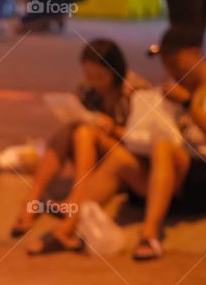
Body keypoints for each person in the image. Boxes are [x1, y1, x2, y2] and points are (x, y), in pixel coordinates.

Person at [26, 27, 206, 260]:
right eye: (165, 62)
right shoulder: (179, 84)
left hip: (201, 175)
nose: (169, 68)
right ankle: (65, 228)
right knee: (120, 158)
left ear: (195, 53)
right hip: (168, 175)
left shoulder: (197, 91)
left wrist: (187, 103)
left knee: (162, 146)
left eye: (174, 62)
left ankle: (149, 236)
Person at [17, 38, 146, 241]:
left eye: (100, 76)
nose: (94, 82)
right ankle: (31, 200)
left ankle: (74, 200)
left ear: (115, 70)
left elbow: (143, 141)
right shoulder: (87, 89)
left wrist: (113, 128)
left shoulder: (136, 90)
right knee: (72, 130)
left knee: (84, 132)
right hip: (92, 153)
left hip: (125, 161)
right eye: (89, 75)